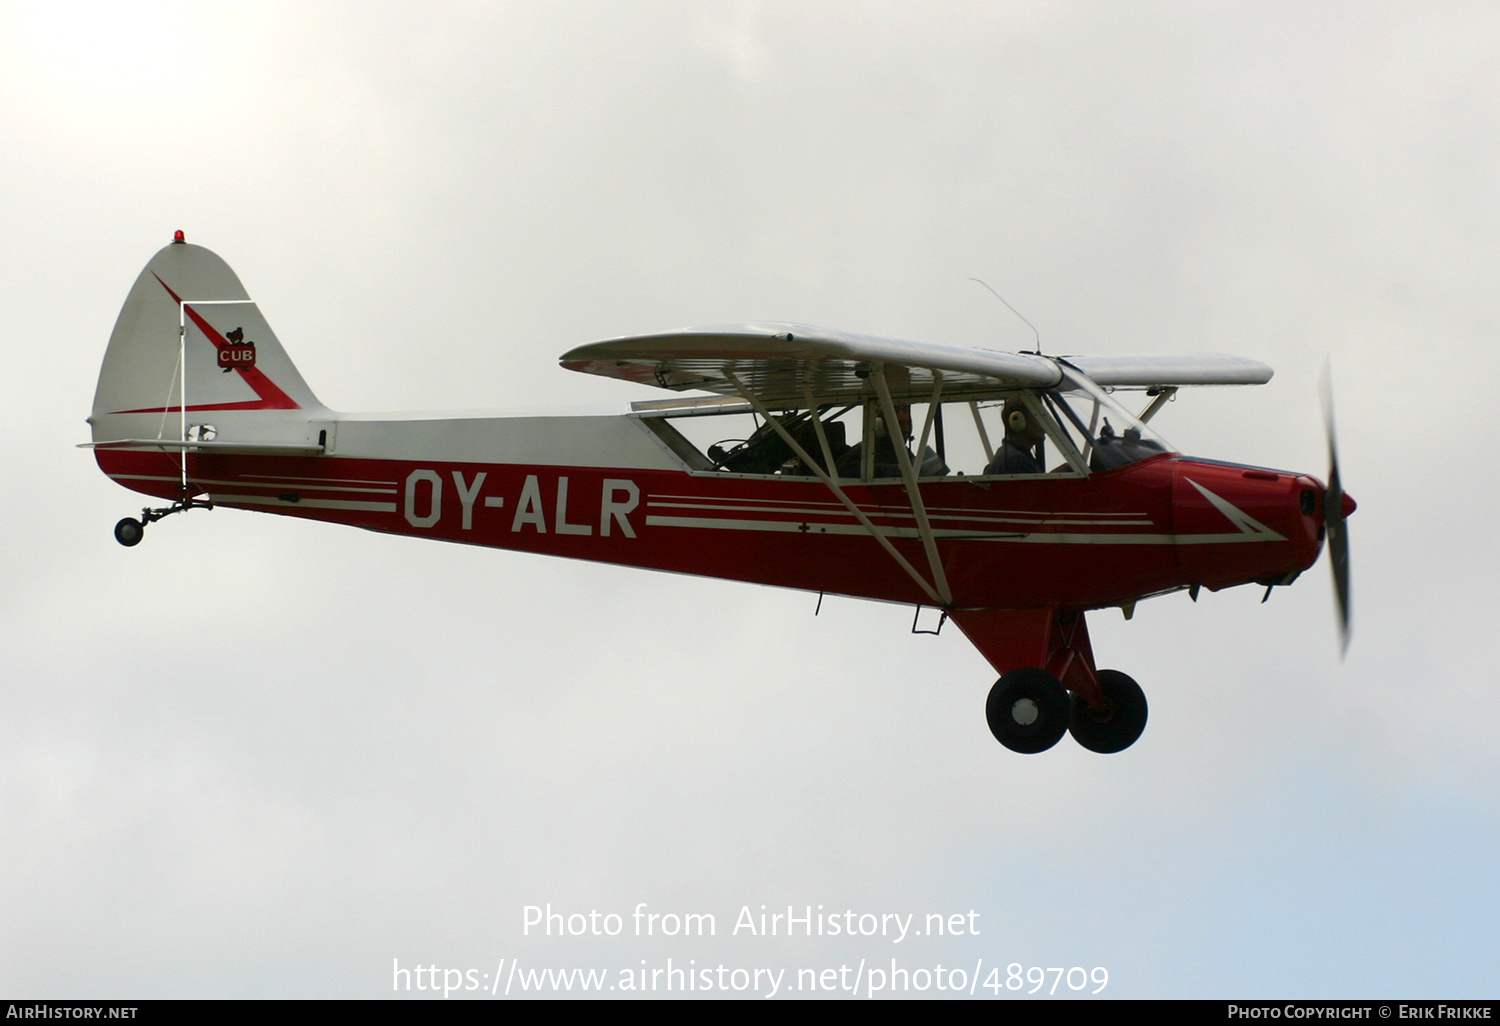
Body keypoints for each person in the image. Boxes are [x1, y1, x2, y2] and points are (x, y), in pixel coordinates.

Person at [984, 398, 1046, 475]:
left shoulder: (1015, 455)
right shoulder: (1016, 461)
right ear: (1018, 421)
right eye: (1036, 416)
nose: (1044, 423)